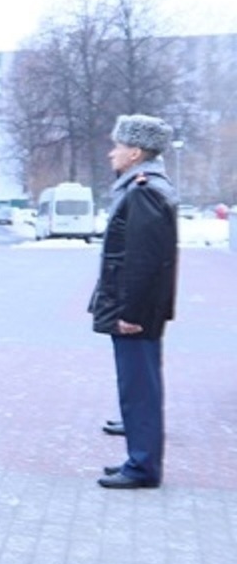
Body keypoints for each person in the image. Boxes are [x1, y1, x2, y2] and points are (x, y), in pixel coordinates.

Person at [90, 114, 178, 490]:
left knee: (139, 388)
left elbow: (142, 261)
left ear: (136, 153)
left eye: (118, 146)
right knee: (139, 385)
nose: (112, 153)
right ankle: (138, 457)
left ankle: (142, 467)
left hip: (135, 311)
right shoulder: (145, 187)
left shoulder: (143, 190)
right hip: (138, 308)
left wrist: (131, 313)